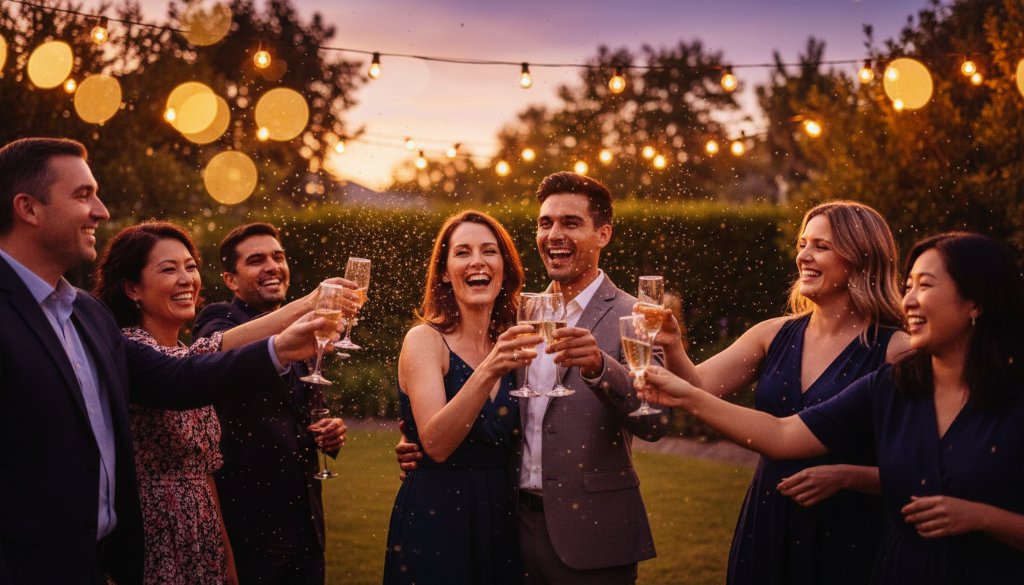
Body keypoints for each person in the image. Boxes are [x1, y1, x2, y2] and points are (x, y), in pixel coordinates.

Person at [0, 137, 324, 584]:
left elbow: (188, 369)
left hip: (113, 557)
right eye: (82, 195)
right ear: (27, 207)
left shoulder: (86, 315)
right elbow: (185, 374)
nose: (101, 211)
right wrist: (283, 345)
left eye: (190, 266)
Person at [639, 232, 1024, 584]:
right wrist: (681, 384)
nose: (908, 300)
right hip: (885, 564)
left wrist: (981, 517)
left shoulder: (985, 390)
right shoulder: (895, 385)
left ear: (976, 301)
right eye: (908, 286)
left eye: (925, 286)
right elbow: (782, 433)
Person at [399, 172, 673, 584]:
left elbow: (656, 422)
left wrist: (601, 368)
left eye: (570, 223)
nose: (554, 234)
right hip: (510, 530)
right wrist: (412, 442)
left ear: (603, 234)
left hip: (594, 535)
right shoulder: (518, 318)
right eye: (545, 223)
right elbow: (473, 401)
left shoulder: (634, 316)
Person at [649, 201, 911, 585]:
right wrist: (673, 347)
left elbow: (917, 470)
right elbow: (698, 388)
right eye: (803, 243)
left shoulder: (896, 350)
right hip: (769, 518)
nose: (803, 255)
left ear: (860, 258)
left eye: (821, 246)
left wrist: (849, 476)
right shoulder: (772, 334)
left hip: (850, 529)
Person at [93, 222, 352, 584]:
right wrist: (293, 327)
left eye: (190, 266)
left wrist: (227, 564)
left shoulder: (184, 353)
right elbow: (192, 371)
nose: (186, 279)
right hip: (155, 536)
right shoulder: (125, 350)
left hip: (207, 538)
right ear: (132, 288)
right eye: (169, 269)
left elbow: (206, 359)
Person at [382, 210, 538, 583]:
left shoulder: (517, 340)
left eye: (489, 251)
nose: (477, 262)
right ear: (444, 271)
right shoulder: (424, 341)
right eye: (463, 252)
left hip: (500, 515)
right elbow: (435, 443)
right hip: (436, 515)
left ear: (505, 268)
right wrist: (489, 370)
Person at [192, 222, 349, 585]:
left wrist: (328, 431)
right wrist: (308, 304)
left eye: (278, 256)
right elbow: (213, 352)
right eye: (256, 260)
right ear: (231, 279)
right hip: (249, 519)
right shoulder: (218, 320)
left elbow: (303, 410)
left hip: (306, 519)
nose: (272, 266)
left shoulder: (309, 328)